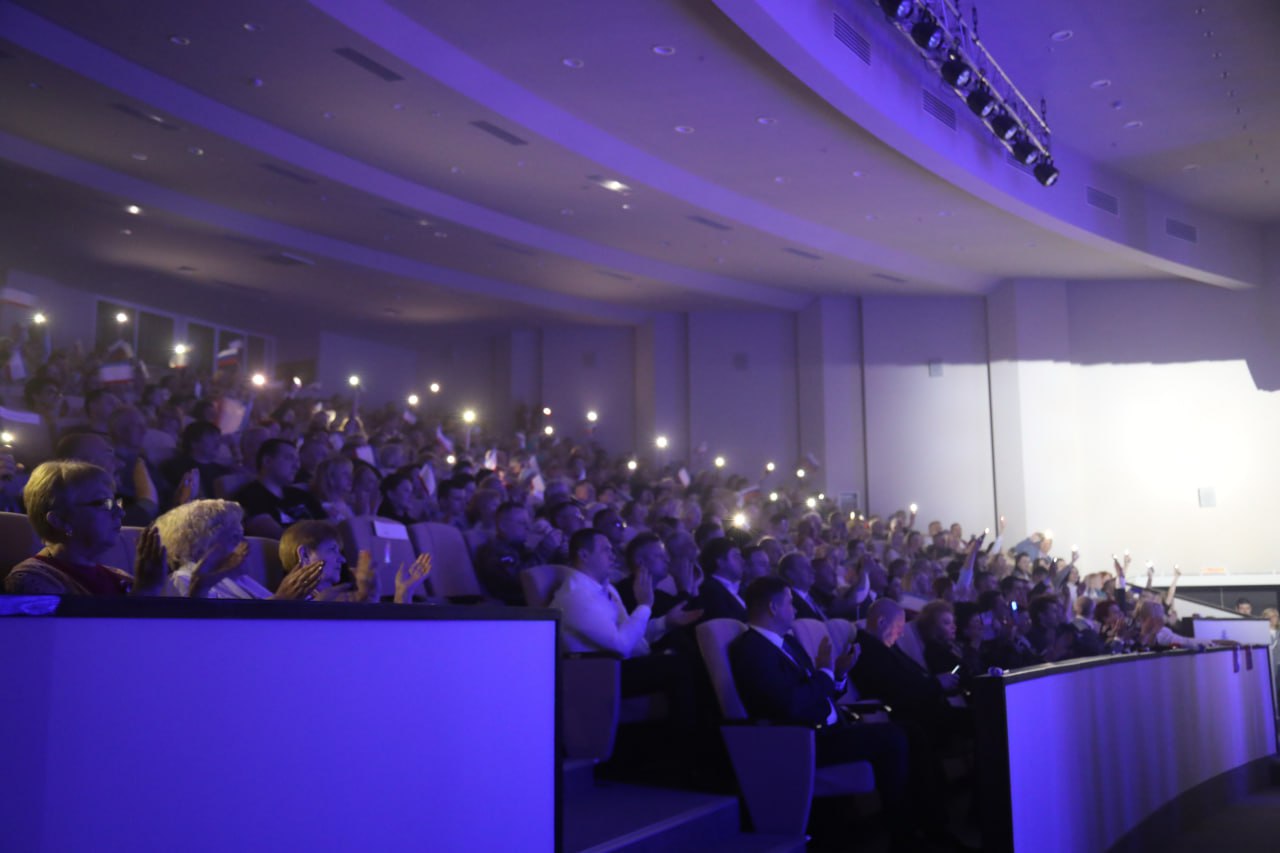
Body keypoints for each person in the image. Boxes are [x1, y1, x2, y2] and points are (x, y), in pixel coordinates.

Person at [727, 576, 914, 850]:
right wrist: (825, 672)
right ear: (773, 607)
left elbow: (816, 693)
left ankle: (917, 827)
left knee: (909, 731)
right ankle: (902, 839)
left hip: (829, 729)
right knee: (893, 737)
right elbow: (789, 704)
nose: (795, 608)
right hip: (802, 740)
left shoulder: (787, 643)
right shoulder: (752, 649)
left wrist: (838, 674)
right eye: (790, 602)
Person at [3, 460, 167, 596]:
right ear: (60, 520)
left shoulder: (120, 577)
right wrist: (144, 592)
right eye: (103, 503)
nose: (120, 513)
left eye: (115, 503)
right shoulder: (33, 580)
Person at [157, 500, 318, 599]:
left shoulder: (238, 578)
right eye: (234, 537)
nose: (244, 545)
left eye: (242, 536)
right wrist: (280, 601)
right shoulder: (182, 581)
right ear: (200, 545)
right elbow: (217, 632)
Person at [279, 519, 429, 604]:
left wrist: (404, 592)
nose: (342, 559)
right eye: (332, 549)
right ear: (304, 554)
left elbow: (389, 639)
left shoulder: (346, 598)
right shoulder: (289, 610)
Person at [234, 438, 326, 538]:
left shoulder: (300, 494)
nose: (296, 466)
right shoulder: (249, 496)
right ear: (267, 461)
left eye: (297, 461)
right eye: (289, 458)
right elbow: (279, 537)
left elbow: (328, 523)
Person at [474, 501, 561, 605]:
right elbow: (520, 579)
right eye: (522, 523)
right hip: (516, 608)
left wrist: (558, 551)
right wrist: (545, 549)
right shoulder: (493, 551)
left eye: (528, 523)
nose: (528, 527)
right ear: (503, 526)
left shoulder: (519, 548)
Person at [692, 537, 747, 621]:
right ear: (720, 562)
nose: (743, 561)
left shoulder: (742, 589)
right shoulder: (710, 591)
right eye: (736, 556)